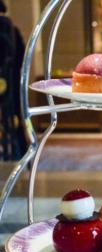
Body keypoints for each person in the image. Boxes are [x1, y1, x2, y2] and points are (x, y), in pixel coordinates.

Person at [0, 0, 26, 160]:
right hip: (13, 84)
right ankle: (18, 155)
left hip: (6, 83)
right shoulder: (12, 29)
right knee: (14, 122)